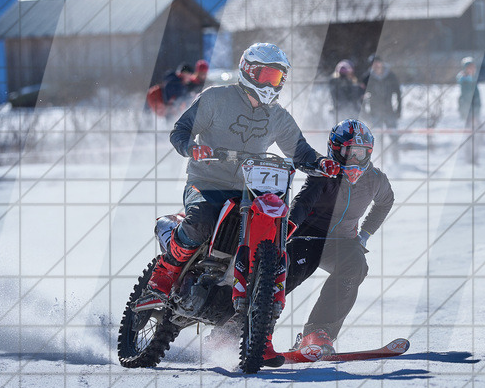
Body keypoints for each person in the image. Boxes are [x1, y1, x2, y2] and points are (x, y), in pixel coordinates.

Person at [135, 43, 341, 367]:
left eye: (278, 78)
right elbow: (181, 129)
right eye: (267, 75)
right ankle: (163, 278)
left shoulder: (278, 117)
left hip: (252, 192)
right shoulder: (217, 98)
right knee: (202, 221)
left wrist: (322, 164)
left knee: (277, 250)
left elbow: (300, 152)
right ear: (248, 71)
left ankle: (263, 340)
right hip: (207, 183)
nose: (272, 84)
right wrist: (192, 148)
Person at [283, 119, 394, 355]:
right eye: (348, 152)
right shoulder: (323, 173)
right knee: (287, 277)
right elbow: (302, 202)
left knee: (356, 266)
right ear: (335, 149)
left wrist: (365, 234)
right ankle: (243, 325)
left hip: (342, 243)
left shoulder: (375, 179)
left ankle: (317, 332)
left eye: (360, 153)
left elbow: (386, 201)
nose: (354, 159)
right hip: (308, 238)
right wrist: (288, 228)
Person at [363, 56, 402, 163]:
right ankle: (382, 161)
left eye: (378, 63)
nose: (376, 65)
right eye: (374, 64)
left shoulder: (390, 76)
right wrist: (365, 113)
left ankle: (396, 161)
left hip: (389, 111)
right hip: (375, 112)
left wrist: (399, 109)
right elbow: (361, 97)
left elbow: (398, 93)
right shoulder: (367, 77)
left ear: (382, 63)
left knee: (393, 137)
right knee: (378, 139)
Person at [457, 57, 482, 162]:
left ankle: (473, 157)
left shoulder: (471, 80)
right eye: (470, 67)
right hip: (471, 115)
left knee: (475, 137)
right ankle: (470, 158)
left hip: (474, 114)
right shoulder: (466, 82)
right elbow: (467, 100)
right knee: (471, 137)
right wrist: (472, 115)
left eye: (474, 67)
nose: (473, 69)